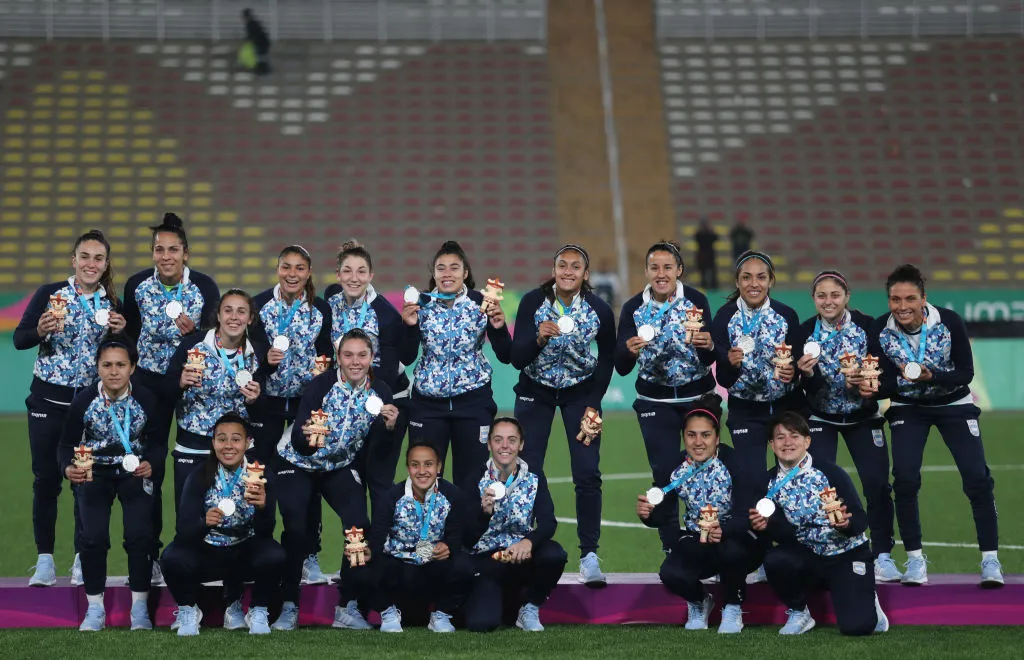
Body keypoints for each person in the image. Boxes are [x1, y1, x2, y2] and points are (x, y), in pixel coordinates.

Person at [866, 264, 1002, 587]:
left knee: (977, 479)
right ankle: (915, 561)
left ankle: (990, 560)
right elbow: (883, 384)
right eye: (896, 299)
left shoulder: (949, 322)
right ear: (888, 300)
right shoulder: (879, 331)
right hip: (907, 407)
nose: (903, 307)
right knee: (905, 480)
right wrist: (873, 386)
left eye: (910, 298)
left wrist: (933, 376)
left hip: (954, 403)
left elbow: (965, 374)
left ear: (924, 298)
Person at [15, 229, 126, 587]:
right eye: (85, 256)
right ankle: (45, 560)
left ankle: (82, 559)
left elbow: (120, 354)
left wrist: (122, 332)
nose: (91, 264)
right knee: (46, 481)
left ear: (106, 264)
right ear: (73, 260)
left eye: (98, 258)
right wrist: (40, 329)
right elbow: (20, 339)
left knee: (84, 484)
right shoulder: (50, 294)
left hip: (87, 409)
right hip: (47, 402)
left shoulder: (112, 302)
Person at [270, 329, 398, 631]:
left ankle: (347, 605)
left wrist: (389, 429)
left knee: (358, 525)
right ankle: (289, 604)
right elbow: (300, 437)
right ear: (338, 358)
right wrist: (311, 439)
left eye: (362, 355)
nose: (355, 362)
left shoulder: (381, 393)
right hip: (296, 461)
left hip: (337, 466)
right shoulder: (321, 385)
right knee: (297, 526)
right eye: (348, 355)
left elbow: (376, 448)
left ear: (371, 357)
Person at [509, 244, 615, 586]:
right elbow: (517, 358)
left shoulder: (599, 309)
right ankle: (529, 542)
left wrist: (594, 402)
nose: (568, 271)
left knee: (587, 473)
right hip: (535, 390)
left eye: (575, 266)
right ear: (553, 270)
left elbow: (609, 356)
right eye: (562, 265)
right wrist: (538, 338)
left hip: (581, 392)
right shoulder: (532, 303)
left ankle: (589, 555)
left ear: (586, 274)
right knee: (526, 470)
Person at [123, 212, 219, 581]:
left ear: (186, 253)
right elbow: (129, 333)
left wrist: (197, 331)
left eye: (173, 249)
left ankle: (207, 547)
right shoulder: (136, 286)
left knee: (202, 468)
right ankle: (153, 554)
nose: (166, 256)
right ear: (152, 254)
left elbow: (216, 336)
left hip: (196, 387)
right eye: (159, 250)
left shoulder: (205, 287)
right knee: (152, 468)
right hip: (151, 387)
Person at [791, 270, 899, 582]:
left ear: (847, 297)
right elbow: (804, 389)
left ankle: (883, 555)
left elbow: (887, 375)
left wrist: (870, 387)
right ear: (813, 299)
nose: (828, 301)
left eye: (835, 295)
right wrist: (809, 375)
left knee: (877, 485)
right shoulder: (802, 333)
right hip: (821, 418)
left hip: (864, 418)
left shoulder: (868, 326)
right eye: (821, 295)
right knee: (819, 488)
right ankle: (820, 553)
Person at [616, 240, 716, 552]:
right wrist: (628, 352)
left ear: (679, 270)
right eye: (655, 267)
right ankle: (672, 544)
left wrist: (707, 346)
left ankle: (707, 536)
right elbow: (620, 367)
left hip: (697, 397)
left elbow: (709, 358)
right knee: (664, 472)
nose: (661, 274)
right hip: (654, 402)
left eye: (668, 267)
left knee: (705, 471)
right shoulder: (634, 308)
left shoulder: (696, 300)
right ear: (646, 271)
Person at [749, 412, 888, 636]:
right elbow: (785, 536)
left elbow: (861, 520)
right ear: (771, 445)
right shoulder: (767, 483)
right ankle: (799, 612)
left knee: (858, 627)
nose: (787, 443)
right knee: (775, 560)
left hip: (846, 554)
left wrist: (845, 525)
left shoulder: (830, 472)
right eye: (780, 437)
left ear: (807, 441)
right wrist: (766, 527)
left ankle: (865, 592)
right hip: (809, 556)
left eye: (794, 436)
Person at [635, 395, 764, 634]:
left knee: (732, 551)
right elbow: (663, 513)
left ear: (717, 438)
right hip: (699, 540)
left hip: (737, 539)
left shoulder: (735, 462)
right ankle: (699, 602)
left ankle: (733, 606)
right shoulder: (675, 466)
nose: (698, 442)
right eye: (691, 435)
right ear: (683, 437)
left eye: (705, 435)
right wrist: (648, 515)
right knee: (671, 573)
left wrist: (723, 530)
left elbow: (748, 512)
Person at [248, 246, 333, 585]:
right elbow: (249, 353)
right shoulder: (258, 306)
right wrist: (264, 361)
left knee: (307, 476)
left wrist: (320, 373)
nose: (292, 273)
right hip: (266, 404)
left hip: (304, 404)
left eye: (300, 268)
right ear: (277, 269)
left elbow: (326, 352)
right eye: (286, 267)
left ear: (309, 271)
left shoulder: (321, 308)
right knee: (260, 473)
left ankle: (309, 553)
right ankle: (261, 545)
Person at [60, 337, 157, 631]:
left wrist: (152, 462)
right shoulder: (83, 401)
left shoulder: (147, 398)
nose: (114, 371)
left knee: (140, 536)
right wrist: (67, 469)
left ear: (132, 368)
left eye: (120, 365)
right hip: (94, 472)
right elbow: (65, 444)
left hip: (133, 472)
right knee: (93, 538)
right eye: (107, 365)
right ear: (97, 367)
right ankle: (94, 609)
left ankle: (139, 608)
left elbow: (157, 442)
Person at [161, 412, 285, 636]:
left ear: (248, 443)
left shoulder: (262, 476)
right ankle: (188, 609)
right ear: (213, 443)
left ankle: (257, 610)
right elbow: (184, 529)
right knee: (172, 557)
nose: (228, 446)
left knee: (275, 555)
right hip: (210, 551)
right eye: (222, 439)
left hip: (244, 550)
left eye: (236, 439)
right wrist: (203, 523)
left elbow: (266, 532)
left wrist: (263, 508)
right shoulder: (199, 475)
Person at [399, 240, 512, 488]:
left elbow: (505, 355)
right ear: (434, 274)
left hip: (473, 404)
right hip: (427, 407)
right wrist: (408, 327)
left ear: (466, 273)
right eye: (441, 268)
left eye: (454, 267)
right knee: (425, 482)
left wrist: (500, 327)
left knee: (472, 482)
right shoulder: (421, 305)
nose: (447, 273)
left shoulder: (481, 303)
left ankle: (468, 528)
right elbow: (406, 357)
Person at [324, 240, 410, 509]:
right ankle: (357, 547)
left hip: (387, 400)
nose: (354, 278)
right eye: (347, 271)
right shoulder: (330, 301)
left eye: (361, 271)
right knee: (352, 480)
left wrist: (373, 407)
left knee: (379, 480)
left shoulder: (385, 315)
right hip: (348, 401)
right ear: (338, 275)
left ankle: (380, 548)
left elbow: (386, 373)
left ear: (371, 276)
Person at [166, 289, 270, 506]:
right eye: (228, 310)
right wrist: (180, 383)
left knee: (238, 521)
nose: (234, 317)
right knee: (189, 520)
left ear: (250, 318)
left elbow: (262, 411)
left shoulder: (259, 353)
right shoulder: (192, 345)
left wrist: (254, 401)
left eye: (241, 312)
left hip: (236, 450)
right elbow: (165, 392)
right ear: (219, 316)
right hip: (193, 447)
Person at [463, 418, 567, 632]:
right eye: (498, 440)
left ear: (521, 444)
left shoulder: (534, 477)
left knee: (554, 554)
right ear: (489, 444)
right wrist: (483, 514)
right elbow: (466, 538)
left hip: (521, 556)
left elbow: (548, 523)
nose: (505, 446)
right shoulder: (475, 477)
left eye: (512, 440)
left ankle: (530, 607)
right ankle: (490, 599)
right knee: (482, 624)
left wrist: (529, 542)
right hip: (488, 561)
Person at [711, 250, 801, 477]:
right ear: (737, 281)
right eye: (747, 277)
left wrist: (794, 372)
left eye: (761, 277)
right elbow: (722, 379)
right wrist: (731, 364)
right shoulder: (724, 317)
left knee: (793, 480)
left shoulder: (786, 315)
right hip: (745, 411)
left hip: (786, 409)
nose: (754, 284)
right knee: (753, 481)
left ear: (771, 280)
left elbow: (798, 365)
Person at [369, 441, 472, 633]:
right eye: (415, 464)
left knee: (465, 565)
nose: (422, 471)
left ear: (439, 466)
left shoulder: (453, 495)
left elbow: (456, 536)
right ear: (408, 467)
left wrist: (448, 546)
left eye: (429, 464)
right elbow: (377, 535)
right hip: (400, 569)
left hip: (433, 567)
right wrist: (367, 552)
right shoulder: (391, 496)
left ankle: (441, 614)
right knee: (360, 563)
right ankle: (388, 612)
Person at [241, 9, 271, 75]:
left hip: (261, 43)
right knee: (261, 56)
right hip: (262, 42)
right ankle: (263, 70)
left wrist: (246, 40)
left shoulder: (250, 24)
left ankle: (263, 71)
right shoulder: (254, 23)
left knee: (260, 57)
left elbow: (251, 35)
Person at [694, 219, 719, 290]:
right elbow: (696, 238)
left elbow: (716, 238)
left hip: (710, 254)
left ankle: (713, 286)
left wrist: (711, 230)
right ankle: (703, 285)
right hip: (702, 254)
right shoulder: (699, 234)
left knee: (713, 271)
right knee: (703, 272)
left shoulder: (710, 233)